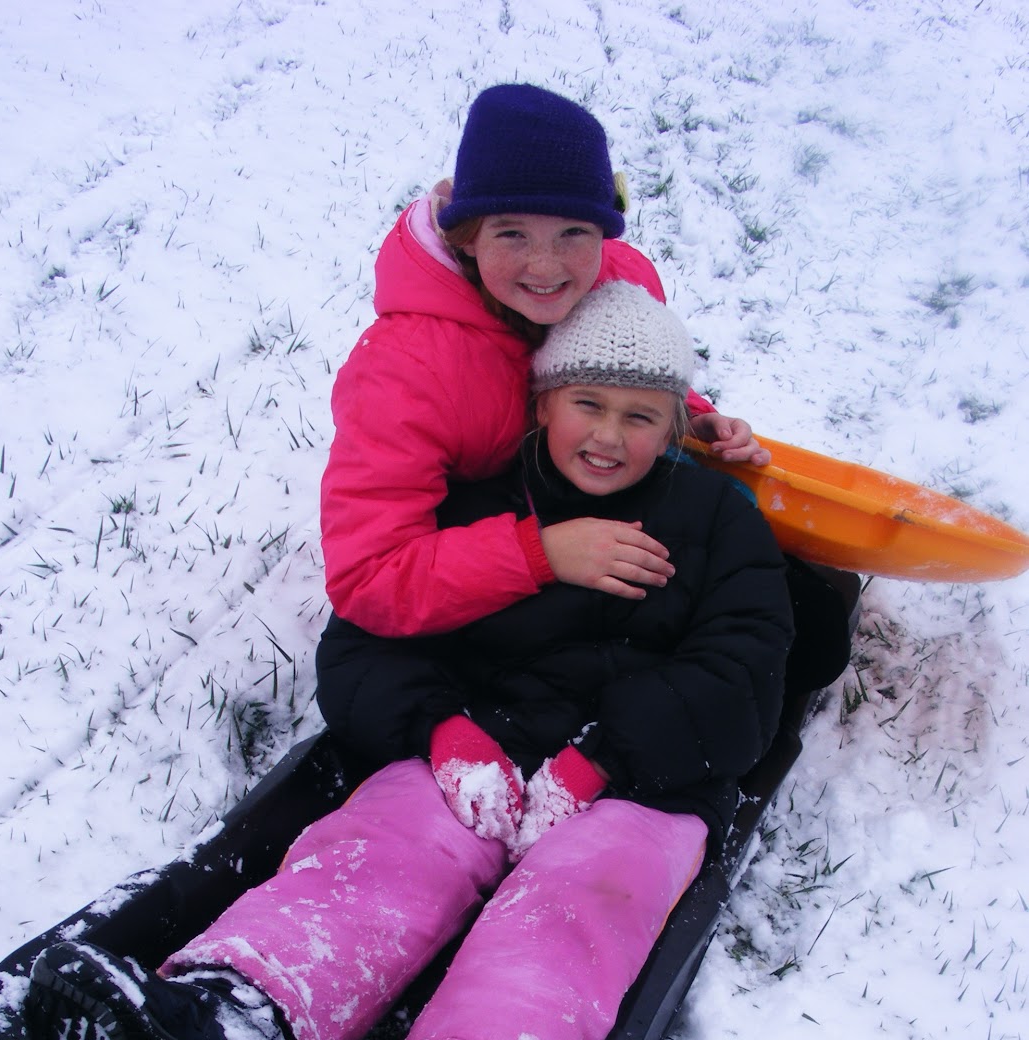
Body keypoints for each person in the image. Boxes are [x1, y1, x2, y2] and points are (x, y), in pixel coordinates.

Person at [25, 282, 793, 1040]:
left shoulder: (716, 521)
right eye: (586, 404)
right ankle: (232, 1024)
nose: (607, 435)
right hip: (480, 742)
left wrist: (606, 756)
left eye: (639, 416)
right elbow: (372, 636)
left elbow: (745, 672)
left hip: (646, 780)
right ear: (542, 403)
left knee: (581, 899)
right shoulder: (480, 504)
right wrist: (442, 732)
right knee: (385, 850)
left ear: (674, 425)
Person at [318, 81, 769, 640]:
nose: (546, 266)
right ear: (467, 237)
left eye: (573, 232)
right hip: (487, 537)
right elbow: (369, 576)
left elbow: (634, 374)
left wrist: (688, 416)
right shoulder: (405, 370)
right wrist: (540, 552)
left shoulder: (617, 281)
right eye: (512, 233)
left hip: (581, 493)